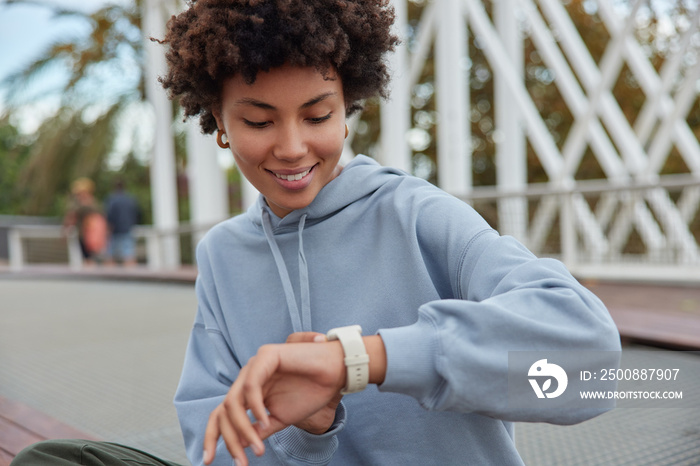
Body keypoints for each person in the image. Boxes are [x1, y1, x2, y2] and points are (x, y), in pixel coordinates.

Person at [12, 1, 621, 465]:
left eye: (318, 114)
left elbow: (593, 365)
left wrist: (357, 361)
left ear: (347, 105)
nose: (292, 147)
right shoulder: (222, 256)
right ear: (218, 123)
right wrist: (308, 431)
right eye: (257, 120)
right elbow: (211, 444)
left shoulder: (418, 214)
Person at [62, 177, 107, 266]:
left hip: (91, 236)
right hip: (83, 235)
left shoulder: (90, 204)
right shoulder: (80, 204)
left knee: (91, 258)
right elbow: (70, 218)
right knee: (87, 259)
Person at [104, 179, 141, 266]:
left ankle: (109, 278)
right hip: (128, 229)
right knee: (129, 255)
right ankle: (132, 276)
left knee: (110, 256)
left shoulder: (112, 199)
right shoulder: (131, 199)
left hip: (114, 231)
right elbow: (138, 214)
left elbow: (109, 215)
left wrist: (108, 229)